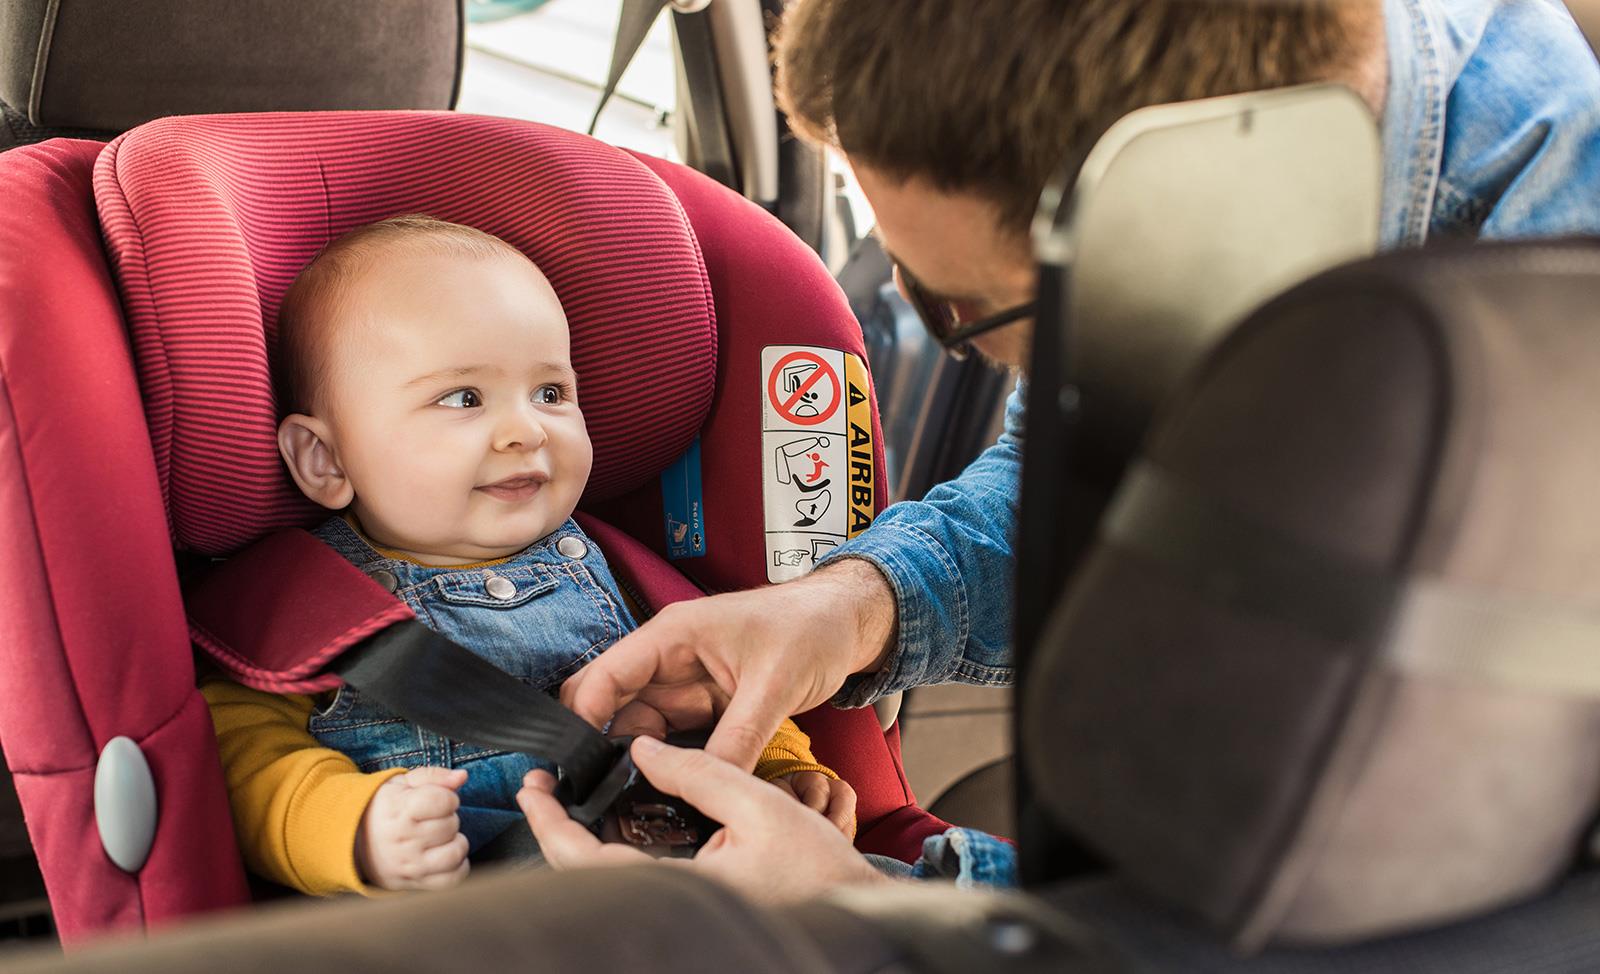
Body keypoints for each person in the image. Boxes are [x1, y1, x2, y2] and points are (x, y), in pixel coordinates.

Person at [520, 0, 1600, 898]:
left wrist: (871, 910)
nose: (920, 315)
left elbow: (1402, 901)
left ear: (1188, 220)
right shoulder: (1215, 154)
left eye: (963, 309)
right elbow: (1084, 463)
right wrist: (852, 605)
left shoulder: (1557, 372)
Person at [200, 215, 854, 895]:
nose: (525, 430)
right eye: (463, 398)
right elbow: (245, 762)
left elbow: (716, 688)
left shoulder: (626, 572)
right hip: (495, 917)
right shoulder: (300, 610)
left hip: (702, 876)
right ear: (325, 458)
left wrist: (779, 767)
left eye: (550, 393)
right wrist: (356, 829)